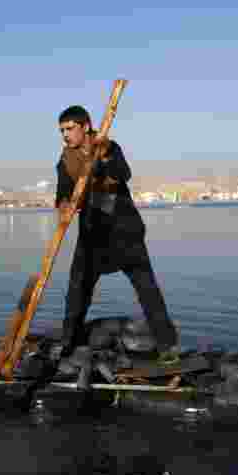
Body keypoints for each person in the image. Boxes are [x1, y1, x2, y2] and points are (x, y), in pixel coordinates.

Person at [50, 105, 178, 360]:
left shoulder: (108, 147)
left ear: (85, 126)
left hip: (123, 230)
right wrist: (64, 205)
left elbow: (123, 174)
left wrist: (105, 156)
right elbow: (62, 193)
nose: (65, 135)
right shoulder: (65, 162)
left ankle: (167, 344)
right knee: (77, 288)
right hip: (92, 233)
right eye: (62, 130)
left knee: (146, 286)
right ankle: (69, 341)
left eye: (70, 129)